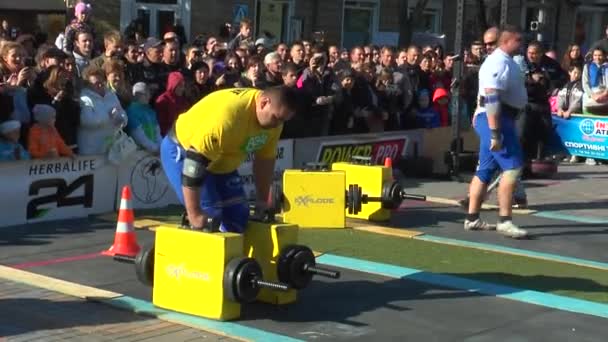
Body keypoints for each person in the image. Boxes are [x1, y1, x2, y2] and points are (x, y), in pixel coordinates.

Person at [159, 86, 297, 232]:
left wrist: (262, 201)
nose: (278, 124)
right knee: (210, 217)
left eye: (283, 120)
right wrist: (195, 214)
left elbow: (265, 161)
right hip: (184, 151)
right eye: (276, 118)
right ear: (263, 103)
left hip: (221, 159)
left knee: (239, 215)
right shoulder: (228, 117)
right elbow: (193, 166)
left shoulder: (274, 121)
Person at [465, 25, 529, 239]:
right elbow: (491, 96)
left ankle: (472, 218)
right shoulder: (499, 61)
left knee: (485, 169)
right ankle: (505, 221)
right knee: (512, 168)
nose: (521, 44)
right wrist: (494, 132)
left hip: (499, 117)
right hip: (497, 119)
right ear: (507, 41)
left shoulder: (505, 61)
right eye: (518, 40)